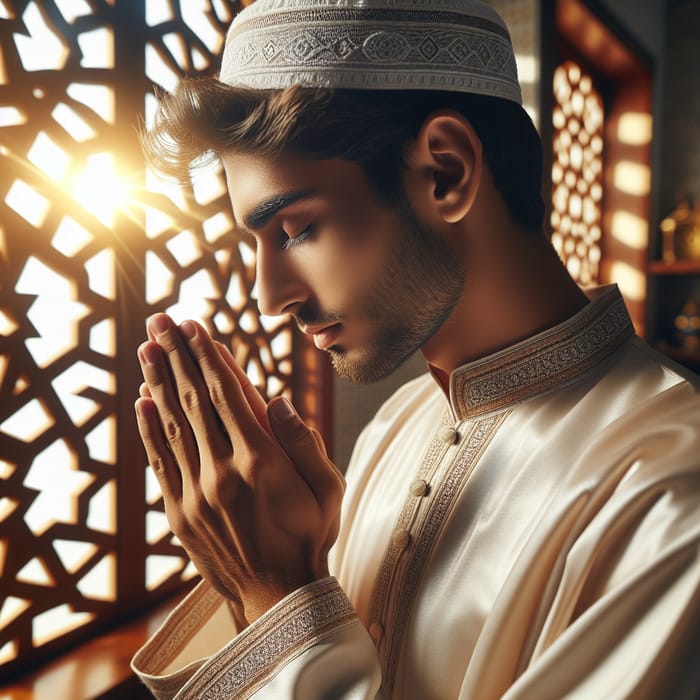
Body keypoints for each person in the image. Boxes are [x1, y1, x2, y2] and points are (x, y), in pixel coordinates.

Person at [130, 0, 700, 697]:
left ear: (446, 172)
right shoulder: (398, 423)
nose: (267, 296)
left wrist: (277, 592)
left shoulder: (672, 496)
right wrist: (251, 577)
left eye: (296, 230)